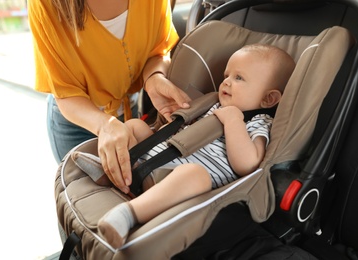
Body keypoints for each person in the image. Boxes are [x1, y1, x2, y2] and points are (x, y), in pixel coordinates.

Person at [96, 44, 296, 248]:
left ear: (268, 98)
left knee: (196, 175)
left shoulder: (259, 122)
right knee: (134, 126)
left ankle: (128, 214)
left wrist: (233, 122)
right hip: (156, 158)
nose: (226, 81)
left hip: (177, 181)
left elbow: (248, 164)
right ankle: (114, 166)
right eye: (227, 75)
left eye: (239, 78)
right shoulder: (213, 104)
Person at [27, 0, 191, 193]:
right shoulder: (46, 4)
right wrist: (105, 125)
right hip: (76, 122)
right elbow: (66, 91)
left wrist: (154, 77)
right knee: (86, 205)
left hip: (127, 108)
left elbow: (158, 52)